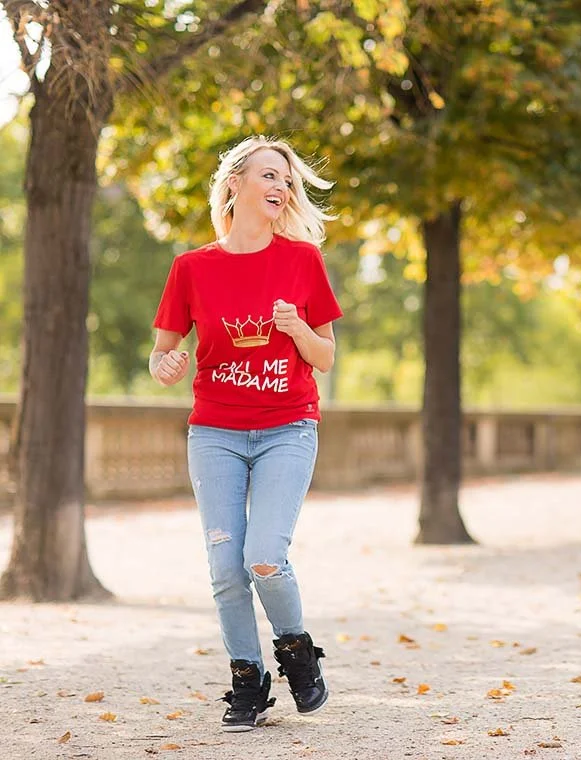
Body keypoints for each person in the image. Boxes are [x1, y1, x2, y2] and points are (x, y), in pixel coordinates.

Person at [149, 137, 343, 731]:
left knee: (262, 557)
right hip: (216, 432)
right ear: (235, 184)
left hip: (288, 426)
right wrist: (166, 366)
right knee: (224, 565)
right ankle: (247, 678)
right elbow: (162, 353)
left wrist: (297, 330)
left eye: (286, 179)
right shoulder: (191, 268)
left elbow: (326, 357)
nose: (280, 187)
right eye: (268, 175)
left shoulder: (303, 260)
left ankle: (296, 652)